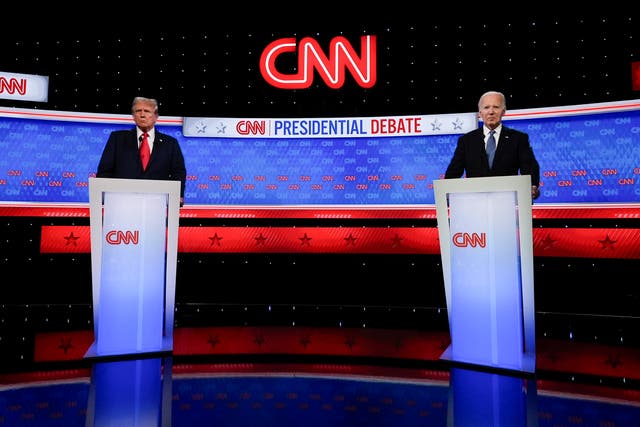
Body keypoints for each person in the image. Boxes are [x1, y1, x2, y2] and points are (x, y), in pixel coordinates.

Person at [444, 90, 541, 200]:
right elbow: (453, 173)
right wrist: (446, 192)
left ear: (503, 111)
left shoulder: (518, 138)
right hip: (474, 203)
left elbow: (529, 167)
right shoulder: (466, 141)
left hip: (507, 202)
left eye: (496, 107)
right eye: (486, 107)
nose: (491, 112)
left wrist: (532, 186)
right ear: (480, 113)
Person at [96, 96, 187, 206]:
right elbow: (105, 170)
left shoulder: (170, 143)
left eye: (147, 111)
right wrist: (104, 195)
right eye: (138, 111)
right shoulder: (117, 139)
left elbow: (178, 173)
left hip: (156, 204)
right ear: (133, 116)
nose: (142, 115)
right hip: (121, 203)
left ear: (156, 116)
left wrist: (178, 194)